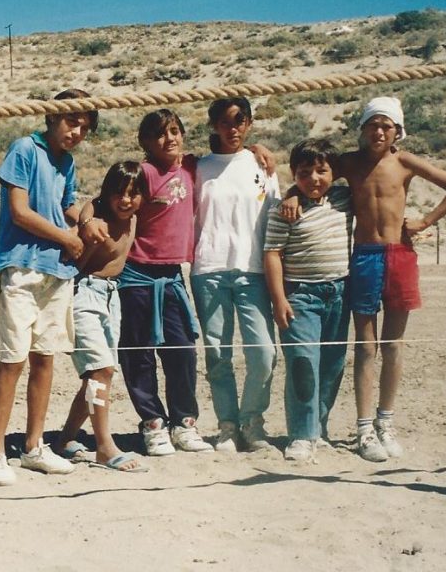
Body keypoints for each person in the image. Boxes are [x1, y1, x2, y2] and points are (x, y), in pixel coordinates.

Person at [337, 97, 446, 462]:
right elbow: (308, 170)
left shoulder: (405, 161)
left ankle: (385, 422)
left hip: (399, 254)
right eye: (373, 125)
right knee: (365, 346)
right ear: (362, 129)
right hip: (364, 255)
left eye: (387, 126)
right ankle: (364, 428)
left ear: (398, 131)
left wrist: (426, 220)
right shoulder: (348, 162)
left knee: (393, 344)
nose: (379, 132)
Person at [0, 88, 98, 486]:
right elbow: (19, 211)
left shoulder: (67, 162)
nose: (77, 132)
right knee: (13, 359)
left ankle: (33, 446)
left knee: (45, 358)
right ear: (52, 117)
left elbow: (66, 205)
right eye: (71, 122)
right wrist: (67, 237)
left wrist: (87, 220)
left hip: (57, 271)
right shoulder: (24, 150)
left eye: (85, 127)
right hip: (21, 267)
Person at [108, 109, 214, 456]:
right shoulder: (144, 174)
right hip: (137, 274)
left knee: (182, 351)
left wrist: (259, 150)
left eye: (174, 131)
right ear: (145, 141)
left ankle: (184, 423)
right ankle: (153, 424)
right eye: (159, 134)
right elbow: (107, 200)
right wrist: (90, 220)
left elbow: (227, 153)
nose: (169, 139)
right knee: (139, 353)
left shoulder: (191, 167)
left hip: (172, 276)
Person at [191, 97, 281, 453]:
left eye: (240, 120)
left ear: (249, 123)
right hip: (209, 270)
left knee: (264, 353)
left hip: (253, 270)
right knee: (218, 355)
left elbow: (274, 217)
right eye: (225, 122)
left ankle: (252, 421)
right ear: (213, 125)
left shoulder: (263, 165)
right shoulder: (198, 168)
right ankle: (228, 426)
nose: (233, 128)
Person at [52, 161, 150, 472]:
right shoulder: (98, 225)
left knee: (101, 373)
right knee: (100, 370)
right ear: (107, 194)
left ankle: (66, 439)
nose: (126, 200)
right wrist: (86, 221)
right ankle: (105, 448)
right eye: (119, 193)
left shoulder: (133, 218)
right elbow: (74, 257)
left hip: (111, 296)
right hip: (85, 292)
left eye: (133, 194)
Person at [263, 138, 352, 462]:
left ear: (333, 172)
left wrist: (294, 190)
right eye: (304, 173)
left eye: (321, 171)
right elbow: (272, 254)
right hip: (301, 296)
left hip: (340, 293)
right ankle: (301, 434)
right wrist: (279, 300)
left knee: (332, 365)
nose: (313, 178)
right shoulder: (285, 210)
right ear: (293, 173)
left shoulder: (345, 199)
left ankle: (319, 428)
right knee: (303, 364)